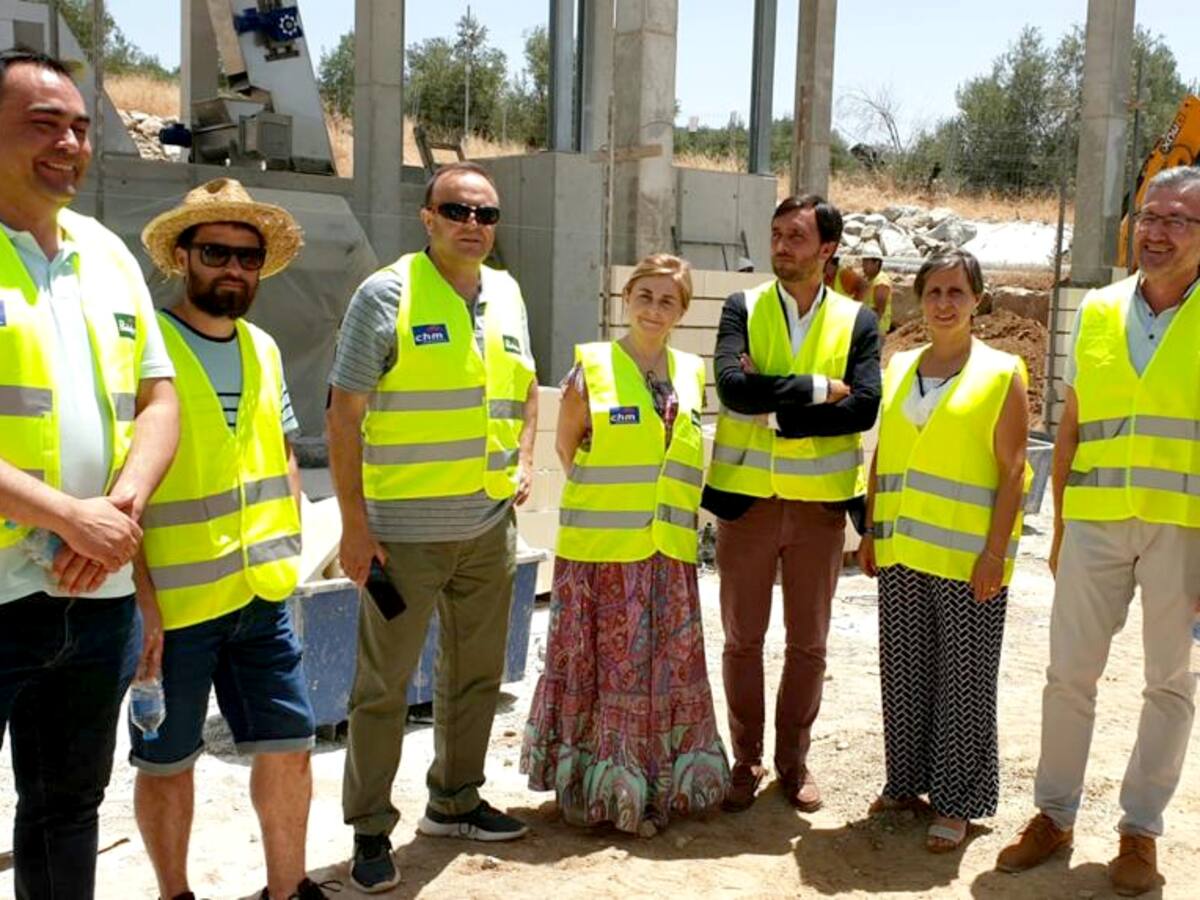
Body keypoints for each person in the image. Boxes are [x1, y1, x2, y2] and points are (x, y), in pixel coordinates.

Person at [327, 161, 537, 892]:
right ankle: (369, 831)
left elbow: (524, 392)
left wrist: (525, 463)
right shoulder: (385, 293)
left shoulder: (507, 293)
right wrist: (355, 527)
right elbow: (343, 414)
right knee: (383, 688)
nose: (472, 224)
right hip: (402, 538)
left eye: (485, 214)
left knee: (475, 677)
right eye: (457, 210)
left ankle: (455, 800)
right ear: (428, 218)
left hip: (487, 528)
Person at [0, 49, 179, 898]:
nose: (70, 143)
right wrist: (72, 519)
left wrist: (118, 513)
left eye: (79, 127)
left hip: (91, 592)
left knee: (67, 808)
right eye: (45, 124)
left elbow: (158, 398)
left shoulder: (105, 252)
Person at [997, 165, 1200, 896]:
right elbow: (1074, 425)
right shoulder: (1099, 311)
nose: (1159, 230)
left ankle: (1140, 832)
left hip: (1184, 531)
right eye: (1151, 215)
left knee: (1169, 683)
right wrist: (1057, 526)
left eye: (1179, 219)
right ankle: (1052, 816)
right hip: (1095, 524)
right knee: (1067, 676)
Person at [133, 178, 330, 900]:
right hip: (176, 607)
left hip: (262, 595)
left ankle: (288, 890)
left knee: (290, 746)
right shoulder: (146, 348)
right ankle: (175, 894)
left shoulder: (264, 348)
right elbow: (123, 482)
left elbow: (278, 443)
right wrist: (141, 600)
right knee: (166, 760)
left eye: (247, 257)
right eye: (215, 251)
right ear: (183, 256)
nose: (233, 269)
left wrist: (290, 530)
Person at [521, 253, 731, 836]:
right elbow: (567, 449)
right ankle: (601, 788)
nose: (654, 309)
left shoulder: (691, 373)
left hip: (667, 555)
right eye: (645, 296)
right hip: (601, 556)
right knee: (608, 671)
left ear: (682, 311)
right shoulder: (592, 368)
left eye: (668, 300)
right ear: (625, 300)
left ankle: (656, 785)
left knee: (659, 673)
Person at [704, 195, 881, 812]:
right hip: (747, 504)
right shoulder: (741, 307)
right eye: (777, 234)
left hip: (818, 511)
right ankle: (745, 760)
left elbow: (864, 407)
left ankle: (793, 761)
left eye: (796, 237)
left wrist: (777, 412)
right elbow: (731, 389)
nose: (782, 246)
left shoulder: (857, 321)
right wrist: (814, 392)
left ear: (827, 249)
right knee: (741, 640)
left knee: (808, 644)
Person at [858, 249, 1029, 852]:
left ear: (978, 299)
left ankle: (957, 803)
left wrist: (994, 554)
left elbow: (1012, 472)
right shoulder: (901, 364)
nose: (945, 303)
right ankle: (904, 784)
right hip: (903, 550)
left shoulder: (1002, 372)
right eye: (934, 292)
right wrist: (871, 529)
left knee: (964, 681)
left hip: (967, 561)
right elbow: (886, 453)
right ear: (920, 299)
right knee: (904, 671)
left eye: (957, 291)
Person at [860, 252, 893, 333]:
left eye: (866, 263)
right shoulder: (870, 279)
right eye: (863, 262)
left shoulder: (881, 282)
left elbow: (879, 310)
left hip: (876, 329)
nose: (863, 266)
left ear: (876, 263)